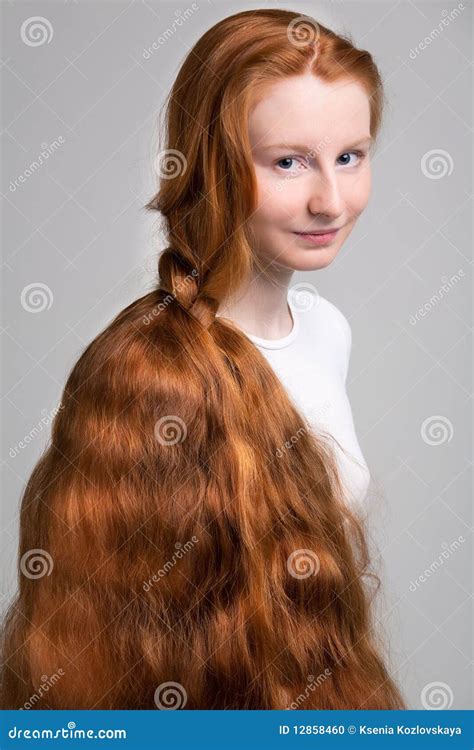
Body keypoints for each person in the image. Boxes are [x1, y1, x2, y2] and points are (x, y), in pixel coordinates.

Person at [0, 9, 406, 710]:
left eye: (350, 156)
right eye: (288, 161)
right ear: (212, 164)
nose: (330, 200)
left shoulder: (327, 330)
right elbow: (103, 648)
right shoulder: (145, 372)